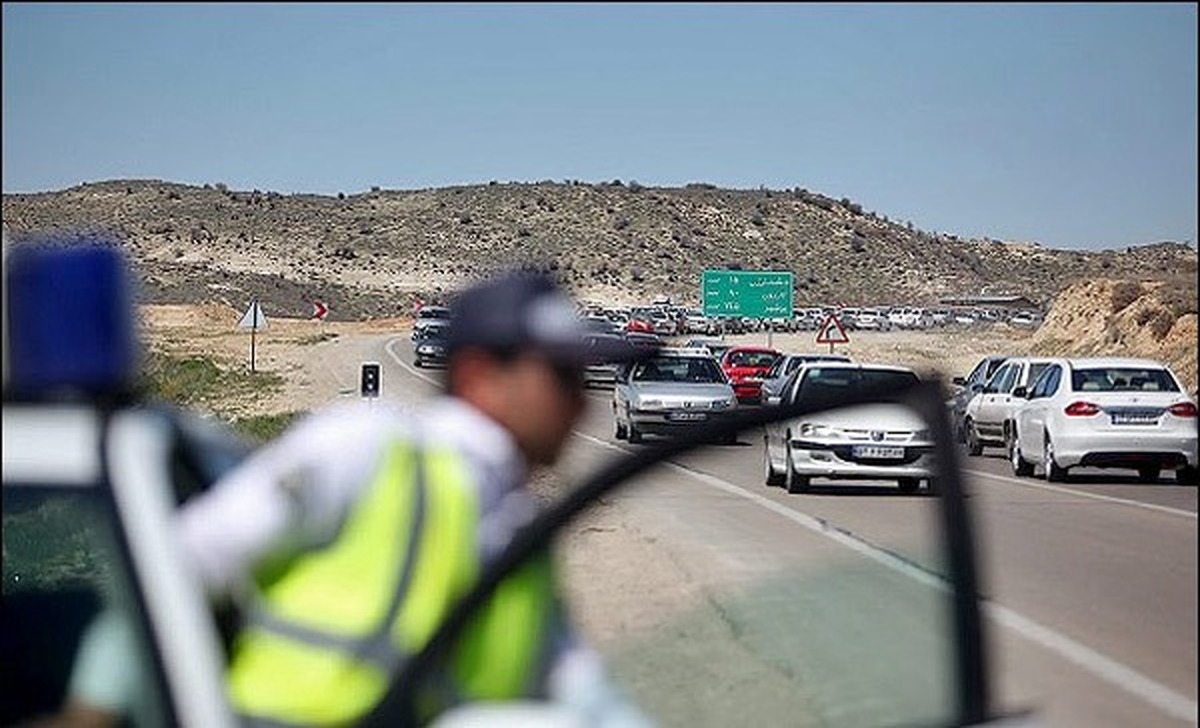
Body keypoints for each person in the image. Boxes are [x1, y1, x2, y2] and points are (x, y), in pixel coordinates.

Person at [176, 269, 655, 726]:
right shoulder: (369, 449)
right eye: (562, 377)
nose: (581, 401)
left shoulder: (520, 526)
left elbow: (578, 686)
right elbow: (176, 566)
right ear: (478, 376)